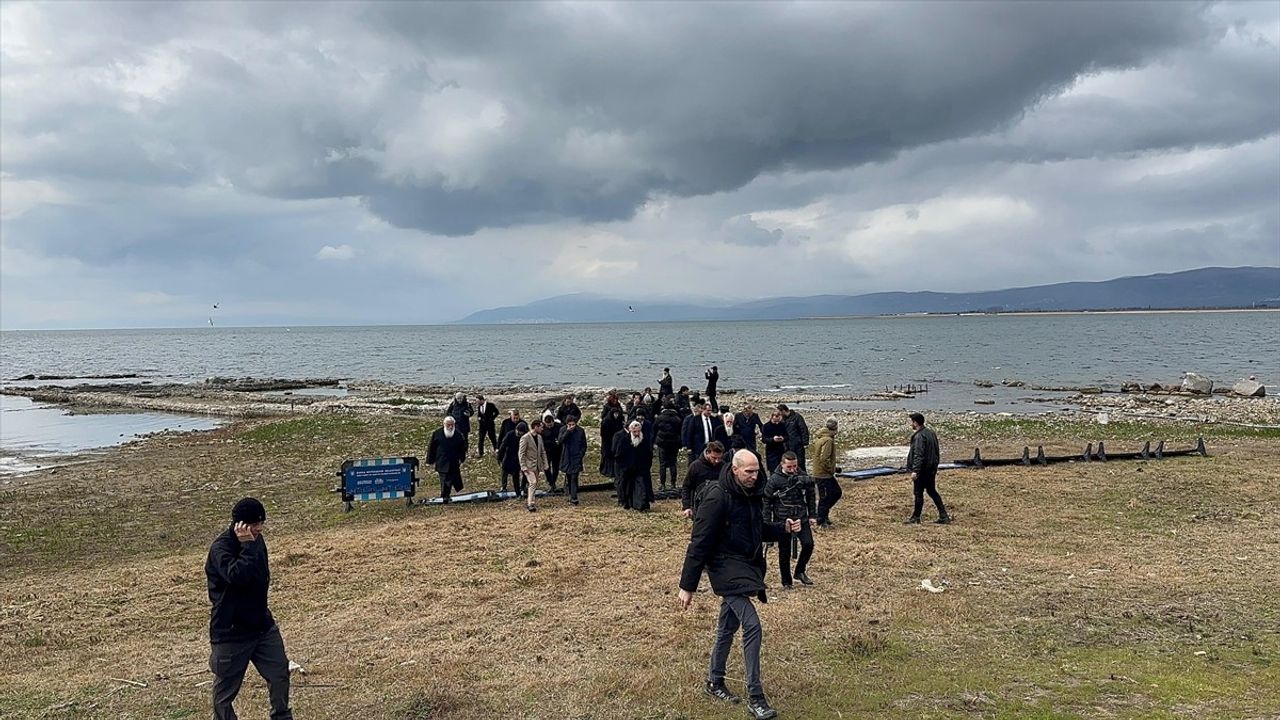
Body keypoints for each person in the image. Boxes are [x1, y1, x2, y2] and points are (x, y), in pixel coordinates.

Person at [678, 451, 800, 720]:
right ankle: (756, 696)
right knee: (752, 625)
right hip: (723, 568)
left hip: (746, 564)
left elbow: (756, 529)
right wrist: (688, 586)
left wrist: (784, 529)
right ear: (735, 470)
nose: (755, 476)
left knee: (728, 625)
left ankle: (714, 681)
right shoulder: (716, 497)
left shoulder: (753, 492)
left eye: (757, 471)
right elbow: (698, 543)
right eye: (749, 472)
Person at [206, 497, 293, 720]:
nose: (259, 529)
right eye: (254, 525)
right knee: (225, 691)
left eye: (261, 524)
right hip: (231, 632)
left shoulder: (256, 541)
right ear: (240, 525)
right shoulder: (221, 549)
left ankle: (281, 716)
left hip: (261, 626)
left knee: (279, 673)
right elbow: (237, 577)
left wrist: (251, 544)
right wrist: (247, 546)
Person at [765, 452, 817, 589]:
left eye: (795, 466)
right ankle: (786, 581)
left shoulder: (802, 476)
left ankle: (800, 571)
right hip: (782, 518)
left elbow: (811, 495)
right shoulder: (774, 480)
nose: (793, 469)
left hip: (801, 516)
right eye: (789, 467)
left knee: (808, 544)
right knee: (784, 551)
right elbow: (766, 501)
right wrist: (768, 523)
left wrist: (812, 515)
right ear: (782, 464)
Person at [905, 412, 950, 524]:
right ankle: (943, 515)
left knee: (918, 493)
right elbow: (936, 452)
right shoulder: (930, 433)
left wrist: (915, 470)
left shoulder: (919, 436)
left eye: (912, 422)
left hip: (922, 470)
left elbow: (918, 454)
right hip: (931, 469)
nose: (911, 424)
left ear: (915, 422)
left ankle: (916, 517)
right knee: (932, 491)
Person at [612, 420, 654, 511]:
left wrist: (646, 465)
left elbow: (649, 454)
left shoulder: (644, 440)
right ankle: (628, 503)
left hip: (641, 469)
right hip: (628, 470)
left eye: (638, 431)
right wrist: (624, 466)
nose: (637, 433)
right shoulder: (624, 440)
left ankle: (642, 505)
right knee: (628, 488)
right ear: (630, 430)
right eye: (634, 431)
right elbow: (619, 455)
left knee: (642, 487)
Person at [427, 416, 468, 503]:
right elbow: (431, 448)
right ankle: (444, 496)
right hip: (441, 461)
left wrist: (462, 458)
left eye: (452, 425)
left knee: (452, 479)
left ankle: (446, 495)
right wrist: (430, 460)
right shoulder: (437, 433)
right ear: (444, 424)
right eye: (448, 425)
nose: (450, 427)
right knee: (444, 479)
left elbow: (462, 448)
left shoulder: (458, 434)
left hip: (453, 461)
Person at [681, 441, 725, 518]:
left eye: (719, 458)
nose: (717, 461)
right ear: (707, 453)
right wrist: (686, 507)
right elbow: (686, 487)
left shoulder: (723, 466)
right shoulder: (695, 466)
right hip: (700, 506)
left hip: (719, 505)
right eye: (714, 458)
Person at [812, 417, 842, 527]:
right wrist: (831, 470)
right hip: (823, 474)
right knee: (834, 493)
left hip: (820, 472)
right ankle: (821, 518)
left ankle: (823, 516)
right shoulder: (828, 440)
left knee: (826, 495)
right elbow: (824, 458)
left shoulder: (821, 437)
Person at [519, 418, 550, 512]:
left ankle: (531, 500)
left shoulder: (539, 437)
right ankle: (530, 503)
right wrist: (523, 466)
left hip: (536, 465)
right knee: (532, 482)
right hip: (528, 466)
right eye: (541, 427)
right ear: (535, 427)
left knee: (535, 483)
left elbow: (542, 451)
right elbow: (521, 453)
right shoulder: (525, 438)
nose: (542, 429)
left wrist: (545, 464)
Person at [654, 400, 684, 491]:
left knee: (662, 464)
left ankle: (662, 484)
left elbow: (654, 427)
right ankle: (673, 484)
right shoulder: (677, 418)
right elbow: (680, 430)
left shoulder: (660, 417)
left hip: (662, 442)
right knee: (673, 463)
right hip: (674, 442)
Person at [558, 415, 588, 505]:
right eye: (569, 424)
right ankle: (570, 494)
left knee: (574, 477)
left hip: (576, 457)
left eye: (573, 424)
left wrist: (580, 455)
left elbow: (584, 445)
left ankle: (574, 497)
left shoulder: (580, 431)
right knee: (569, 476)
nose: (571, 426)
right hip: (567, 457)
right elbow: (560, 440)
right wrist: (568, 432)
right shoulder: (563, 430)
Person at [682, 402, 718, 466]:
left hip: (710, 446)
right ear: (703, 410)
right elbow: (690, 432)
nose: (709, 412)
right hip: (698, 446)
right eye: (708, 410)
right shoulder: (695, 419)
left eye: (710, 410)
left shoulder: (713, 420)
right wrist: (689, 447)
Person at [777, 404, 810, 472]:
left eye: (780, 412)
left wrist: (805, 442)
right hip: (786, 445)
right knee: (788, 462)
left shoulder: (797, 417)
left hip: (797, 445)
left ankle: (802, 477)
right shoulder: (782, 420)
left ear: (783, 411)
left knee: (800, 462)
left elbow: (803, 429)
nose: (779, 414)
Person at [498, 421, 527, 493]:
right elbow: (503, 446)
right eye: (517, 431)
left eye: (520, 432)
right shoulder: (510, 434)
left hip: (520, 457)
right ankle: (503, 486)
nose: (518, 433)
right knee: (504, 470)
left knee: (521, 473)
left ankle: (522, 487)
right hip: (509, 456)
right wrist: (499, 457)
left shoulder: (525, 437)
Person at [599, 407, 625, 478]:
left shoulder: (619, 420)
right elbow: (603, 433)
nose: (616, 415)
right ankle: (607, 471)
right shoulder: (606, 421)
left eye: (617, 414)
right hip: (607, 442)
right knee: (607, 456)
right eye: (615, 414)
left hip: (616, 441)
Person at [540, 410, 562, 492]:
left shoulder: (559, 427)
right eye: (547, 425)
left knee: (556, 468)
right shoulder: (543, 429)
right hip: (547, 452)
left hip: (557, 451)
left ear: (553, 421)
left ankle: (553, 482)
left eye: (550, 425)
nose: (549, 427)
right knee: (546, 467)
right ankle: (550, 482)